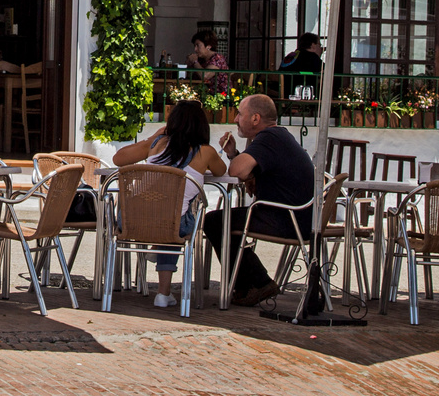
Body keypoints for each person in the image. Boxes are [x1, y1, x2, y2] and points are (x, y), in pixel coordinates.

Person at [201, 93, 316, 307]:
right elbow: (248, 172)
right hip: (297, 216)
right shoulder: (278, 136)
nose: (235, 119)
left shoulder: (269, 138)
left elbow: (238, 170)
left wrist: (235, 158)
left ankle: (258, 282)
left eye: (239, 114)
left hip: (286, 218)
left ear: (255, 118)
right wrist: (234, 152)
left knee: (215, 221)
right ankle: (247, 285)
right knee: (223, 220)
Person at [113, 100, 226, 308]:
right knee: (174, 221)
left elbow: (118, 159)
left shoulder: (157, 144)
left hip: (131, 221)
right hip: (173, 225)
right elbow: (221, 171)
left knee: (167, 218)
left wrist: (154, 137)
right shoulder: (206, 152)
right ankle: (163, 293)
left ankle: (157, 247)